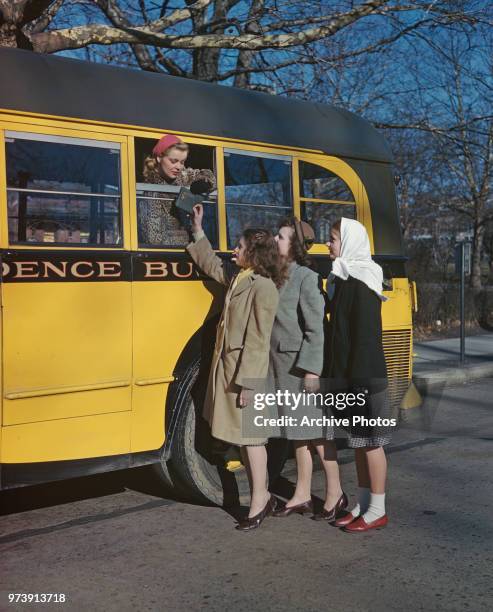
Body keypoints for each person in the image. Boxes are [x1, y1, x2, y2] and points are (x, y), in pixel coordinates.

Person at [187, 203, 283, 531]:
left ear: (254, 253)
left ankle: (260, 499)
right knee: (245, 438)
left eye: (239, 247)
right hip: (231, 371)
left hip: (247, 376)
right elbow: (211, 264)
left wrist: (249, 385)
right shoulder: (241, 277)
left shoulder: (264, 287)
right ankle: (262, 496)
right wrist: (198, 229)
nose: (233, 250)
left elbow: (258, 340)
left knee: (252, 438)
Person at [268, 217, 347, 521]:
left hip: (302, 369)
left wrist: (313, 371)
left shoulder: (307, 277)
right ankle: (301, 494)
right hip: (282, 368)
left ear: (296, 246)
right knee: (297, 433)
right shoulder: (277, 274)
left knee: (317, 433)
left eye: (282, 237)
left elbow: (316, 330)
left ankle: (335, 492)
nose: (276, 241)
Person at [324, 218, 391, 533]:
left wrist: (357, 384)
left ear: (350, 242)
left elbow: (364, 340)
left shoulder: (362, 282)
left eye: (334, 238)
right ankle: (364, 503)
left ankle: (377, 509)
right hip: (352, 377)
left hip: (365, 377)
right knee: (360, 442)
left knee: (372, 444)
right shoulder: (346, 278)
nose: (328, 243)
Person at [139, 134, 216, 246]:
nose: (179, 167)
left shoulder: (182, 175)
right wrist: (188, 236)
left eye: (182, 162)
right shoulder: (150, 190)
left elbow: (209, 175)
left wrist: (205, 182)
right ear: (159, 158)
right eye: (173, 161)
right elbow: (154, 239)